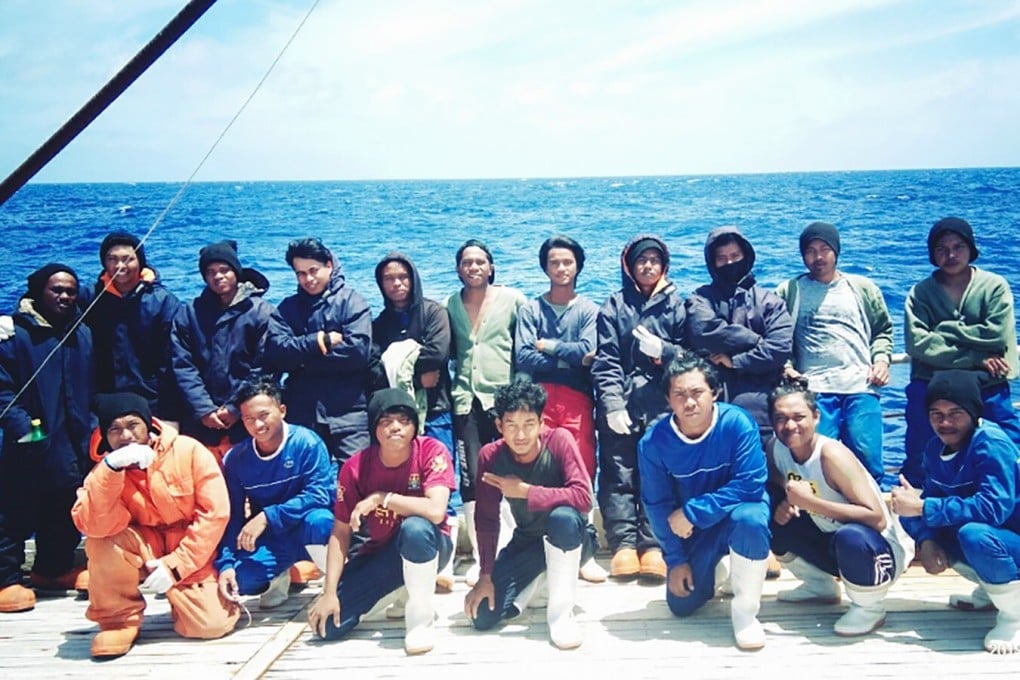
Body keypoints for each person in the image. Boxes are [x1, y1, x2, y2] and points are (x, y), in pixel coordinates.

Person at [71, 392, 238, 658]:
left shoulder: (188, 450)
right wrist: (111, 470)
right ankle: (118, 620)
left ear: (147, 424)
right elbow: (93, 525)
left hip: (190, 548)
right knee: (102, 541)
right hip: (144, 547)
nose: (125, 435)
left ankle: (183, 598)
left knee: (208, 625)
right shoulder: (102, 470)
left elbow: (214, 513)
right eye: (114, 429)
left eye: (132, 424)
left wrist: (176, 566)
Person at [306, 389, 454, 655]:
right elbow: (340, 533)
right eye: (385, 421)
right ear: (374, 428)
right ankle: (398, 591)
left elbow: (435, 511)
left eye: (403, 420)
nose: (395, 427)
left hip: (430, 544)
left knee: (415, 528)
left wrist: (382, 498)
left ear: (414, 425)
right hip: (382, 553)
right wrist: (329, 591)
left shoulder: (432, 450)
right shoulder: (354, 467)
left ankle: (420, 618)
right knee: (327, 627)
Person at [638, 355, 771, 650]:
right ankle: (718, 568)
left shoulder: (737, 422)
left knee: (751, 519)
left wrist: (693, 511)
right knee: (681, 604)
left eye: (697, 392)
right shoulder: (653, 443)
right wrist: (675, 560)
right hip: (696, 530)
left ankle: (746, 614)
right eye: (679, 395)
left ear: (714, 392)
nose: (689, 403)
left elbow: (751, 483)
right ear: (668, 400)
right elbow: (657, 506)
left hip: (734, 514)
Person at [767, 380, 913, 636]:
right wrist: (786, 500)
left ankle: (870, 606)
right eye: (780, 418)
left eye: (799, 417)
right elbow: (776, 477)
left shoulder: (831, 456)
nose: (790, 426)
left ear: (816, 417)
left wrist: (810, 503)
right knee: (766, 513)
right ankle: (819, 585)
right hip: (829, 538)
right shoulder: (776, 447)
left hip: (878, 552)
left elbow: (876, 518)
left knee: (851, 535)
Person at [891, 370, 1020, 654]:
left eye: (955, 413)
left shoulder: (991, 443)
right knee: (908, 510)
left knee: (973, 533)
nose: (945, 422)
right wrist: (926, 539)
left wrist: (924, 506)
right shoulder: (934, 447)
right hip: (995, 538)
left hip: (1011, 537)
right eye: (936, 414)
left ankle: (1014, 616)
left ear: (973, 413)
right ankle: (992, 591)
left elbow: (993, 509)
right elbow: (929, 501)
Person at [464, 376, 597, 649]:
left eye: (528, 424)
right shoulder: (490, 456)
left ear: (541, 423)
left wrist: (526, 491)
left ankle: (561, 614)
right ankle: (541, 580)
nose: (520, 435)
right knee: (483, 616)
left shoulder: (559, 440)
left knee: (563, 517)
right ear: (499, 425)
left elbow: (584, 498)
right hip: (528, 541)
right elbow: (487, 520)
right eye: (511, 425)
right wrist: (485, 575)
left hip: (574, 537)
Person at [592, 234, 687, 581]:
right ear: (629, 266)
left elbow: (693, 358)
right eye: (640, 260)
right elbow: (606, 362)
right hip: (622, 404)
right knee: (618, 473)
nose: (647, 266)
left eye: (654, 260)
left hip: (663, 405)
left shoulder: (678, 305)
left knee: (659, 474)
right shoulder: (614, 306)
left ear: (664, 265)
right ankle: (623, 545)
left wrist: (666, 351)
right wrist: (613, 405)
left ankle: (654, 544)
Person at [0, 264, 93, 613]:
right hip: (30, 440)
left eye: (71, 290)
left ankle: (52, 569)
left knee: (64, 506)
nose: (65, 297)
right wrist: (25, 430)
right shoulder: (14, 335)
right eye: (57, 290)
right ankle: (5, 579)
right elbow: (2, 390)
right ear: (39, 292)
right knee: (14, 512)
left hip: (72, 440)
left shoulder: (81, 331)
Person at [902, 217, 1020, 486]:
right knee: (920, 447)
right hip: (934, 383)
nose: (951, 254)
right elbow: (918, 344)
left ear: (971, 248)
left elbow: (997, 335)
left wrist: (943, 330)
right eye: (942, 249)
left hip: (986, 381)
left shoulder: (994, 286)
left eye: (958, 246)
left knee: (1006, 442)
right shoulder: (920, 293)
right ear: (932, 254)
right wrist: (978, 356)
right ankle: (915, 505)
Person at [514, 235, 605, 583]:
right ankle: (539, 546)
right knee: (537, 468)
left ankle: (584, 549)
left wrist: (550, 347)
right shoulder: (530, 310)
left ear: (578, 265)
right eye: (554, 262)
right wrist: (568, 357)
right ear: (545, 267)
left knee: (580, 469)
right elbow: (523, 355)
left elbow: (587, 353)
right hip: (537, 401)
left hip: (577, 399)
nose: (561, 268)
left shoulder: (589, 310)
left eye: (567, 262)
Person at [776, 222, 893, 485]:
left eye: (824, 249)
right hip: (814, 388)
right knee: (816, 461)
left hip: (861, 386)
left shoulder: (862, 287)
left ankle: (875, 520)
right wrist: (787, 366)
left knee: (867, 458)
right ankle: (822, 522)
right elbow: (777, 337)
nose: (818, 257)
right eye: (810, 251)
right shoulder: (789, 291)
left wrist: (882, 361)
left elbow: (883, 331)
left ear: (836, 251)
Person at [373, 250, 460, 591]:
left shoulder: (434, 313)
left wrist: (405, 360)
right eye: (388, 279)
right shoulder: (380, 323)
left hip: (435, 411)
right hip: (396, 421)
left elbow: (438, 353)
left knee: (441, 487)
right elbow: (376, 365)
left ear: (413, 278)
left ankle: (446, 563)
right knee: (405, 486)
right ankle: (412, 555)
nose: (397, 284)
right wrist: (414, 368)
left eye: (402, 277)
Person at [214, 378, 335, 610]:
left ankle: (334, 584)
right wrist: (226, 563)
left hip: (306, 526)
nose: (257, 425)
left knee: (322, 521)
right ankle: (279, 577)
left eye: (263, 415)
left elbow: (321, 494)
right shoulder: (236, 459)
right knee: (241, 580)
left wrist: (268, 515)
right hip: (274, 537)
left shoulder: (307, 443)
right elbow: (232, 516)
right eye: (249, 419)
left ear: (282, 410)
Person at [446, 239, 525, 584]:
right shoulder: (450, 304)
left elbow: (526, 348)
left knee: (512, 473)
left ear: (491, 267)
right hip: (465, 401)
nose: (474, 267)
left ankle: (518, 550)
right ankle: (483, 556)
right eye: (467, 262)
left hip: (503, 402)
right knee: (471, 479)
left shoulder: (513, 300)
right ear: (459, 268)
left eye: (480, 261)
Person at [266, 238, 373, 466]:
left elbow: (357, 353)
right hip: (303, 412)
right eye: (301, 273)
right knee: (304, 479)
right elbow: (277, 353)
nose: (308, 279)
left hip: (349, 413)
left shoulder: (353, 302)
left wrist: (302, 361)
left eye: (313, 270)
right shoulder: (287, 309)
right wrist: (318, 342)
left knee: (358, 480)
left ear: (329, 265)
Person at [685, 226, 792, 440]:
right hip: (714, 411)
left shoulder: (770, 302)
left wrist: (736, 361)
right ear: (712, 263)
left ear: (746, 256)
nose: (729, 263)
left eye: (735, 256)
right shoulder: (700, 298)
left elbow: (780, 348)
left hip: (764, 410)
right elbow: (704, 330)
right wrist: (757, 341)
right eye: (722, 258)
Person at [171, 240, 275, 462]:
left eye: (224, 270)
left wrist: (236, 407)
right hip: (200, 419)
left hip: (247, 417)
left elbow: (264, 366)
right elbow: (182, 364)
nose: (218, 277)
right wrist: (204, 409)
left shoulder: (260, 312)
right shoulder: (189, 313)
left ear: (236, 271)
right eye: (210, 272)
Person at [82, 231, 183, 423]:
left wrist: (171, 412)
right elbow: (49, 303)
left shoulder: (163, 301)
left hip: (152, 401)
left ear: (140, 262)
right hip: (104, 401)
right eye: (112, 259)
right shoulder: (88, 297)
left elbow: (173, 360)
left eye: (127, 259)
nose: (120, 266)